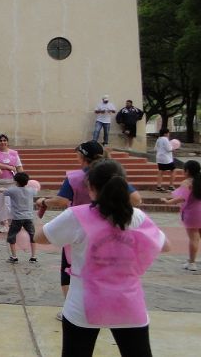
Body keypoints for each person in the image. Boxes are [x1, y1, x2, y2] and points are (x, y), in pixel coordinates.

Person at [34, 160, 169, 357]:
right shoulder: (136, 216)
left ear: (91, 188)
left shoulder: (77, 216)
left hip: (84, 303)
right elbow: (165, 246)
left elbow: (40, 238)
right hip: (128, 302)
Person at [36, 141, 142, 320]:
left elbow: (61, 201)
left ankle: (71, 309)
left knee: (70, 271)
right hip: (111, 229)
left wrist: (44, 201)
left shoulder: (76, 178)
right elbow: (136, 199)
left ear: (82, 157)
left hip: (79, 228)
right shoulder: (112, 174)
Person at [161, 160, 201, 271]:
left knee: (193, 238)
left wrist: (168, 202)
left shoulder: (187, 182)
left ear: (187, 171)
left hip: (191, 213)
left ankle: (192, 263)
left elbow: (182, 198)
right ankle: (191, 261)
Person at [0, 134, 23, 233]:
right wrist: (8, 167)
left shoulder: (14, 153)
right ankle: (4, 224)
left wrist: (23, 178)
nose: (2, 142)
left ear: (7, 142)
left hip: (11, 182)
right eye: (0, 140)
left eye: (4, 140)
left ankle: (12, 223)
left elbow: (19, 166)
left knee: (9, 203)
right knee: (0, 203)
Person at [2, 172, 37, 263]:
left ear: (16, 181)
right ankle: (33, 257)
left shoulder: (13, 190)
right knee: (32, 236)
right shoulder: (31, 190)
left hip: (17, 218)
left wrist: (1, 188)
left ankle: (14, 257)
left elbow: (3, 192)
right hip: (29, 217)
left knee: (12, 236)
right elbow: (36, 191)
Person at [155, 128, 175, 192]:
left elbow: (155, 148)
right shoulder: (165, 139)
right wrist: (173, 148)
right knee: (173, 170)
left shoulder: (158, 139)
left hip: (159, 158)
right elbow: (169, 149)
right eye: (168, 133)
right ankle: (171, 186)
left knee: (160, 171)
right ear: (165, 133)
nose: (169, 134)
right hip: (166, 158)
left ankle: (159, 186)